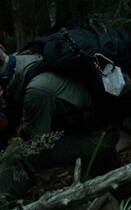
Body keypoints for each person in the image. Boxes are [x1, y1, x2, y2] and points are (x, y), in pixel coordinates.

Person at [0, 44, 119, 201]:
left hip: (95, 135)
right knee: (108, 168)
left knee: (17, 156)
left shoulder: (36, 90)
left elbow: (36, 144)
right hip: (91, 125)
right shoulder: (21, 59)